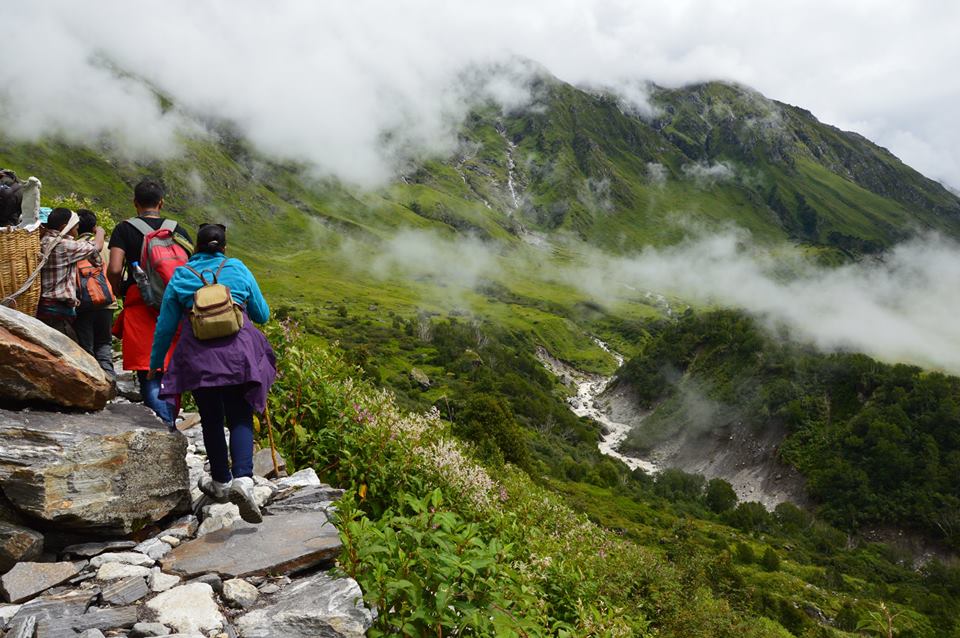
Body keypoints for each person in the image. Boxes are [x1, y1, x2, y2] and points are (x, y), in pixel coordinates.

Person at [150, 223, 275, 523]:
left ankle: (220, 481)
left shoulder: (182, 275)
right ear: (224, 248)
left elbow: (166, 326)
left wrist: (156, 362)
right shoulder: (237, 268)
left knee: (211, 419)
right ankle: (244, 480)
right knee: (241, 415)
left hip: (199, 358)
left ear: (195, 248)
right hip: (239, 355)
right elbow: (262, 314)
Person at [107, 179, 191, 424]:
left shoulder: (124, 229)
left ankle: (165, 425)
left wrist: (119, 289)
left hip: (140, 304)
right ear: (161, 203)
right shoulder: (178, 231)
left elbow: (113, 268)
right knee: (171, 368)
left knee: (149, 371)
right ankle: (171, 420)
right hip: (174, 305)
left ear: (135, 203)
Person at [36, 208, 103, 339]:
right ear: (65, 227)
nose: (77, 232)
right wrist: (100, 232)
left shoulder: (44, 240)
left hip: (43, 306)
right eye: (76, 228)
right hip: (57, 311)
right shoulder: (64, 245)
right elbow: (96, 246)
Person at [73, 209, 116, 378]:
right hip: (107, 302)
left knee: (86, 347)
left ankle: (91, 384)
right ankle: (110, 380)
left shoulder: (75, 248)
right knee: (104, 343)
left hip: (83, 304)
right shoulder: (107, 247)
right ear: (93, 228)